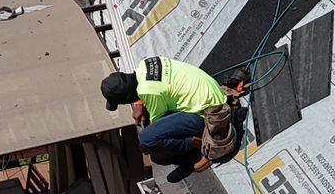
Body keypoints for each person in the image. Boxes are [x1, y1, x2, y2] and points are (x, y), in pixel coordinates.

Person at [102, 57, 241, 182]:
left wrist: (149, 142)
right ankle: (189, 148)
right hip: (212, 94)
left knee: (147, 139)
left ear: (127, 98)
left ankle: (198, 146)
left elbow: (156, 124)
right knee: (153, 133)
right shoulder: (146, 64)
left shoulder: (148, 91)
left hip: (209, 114)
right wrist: (140, 103)